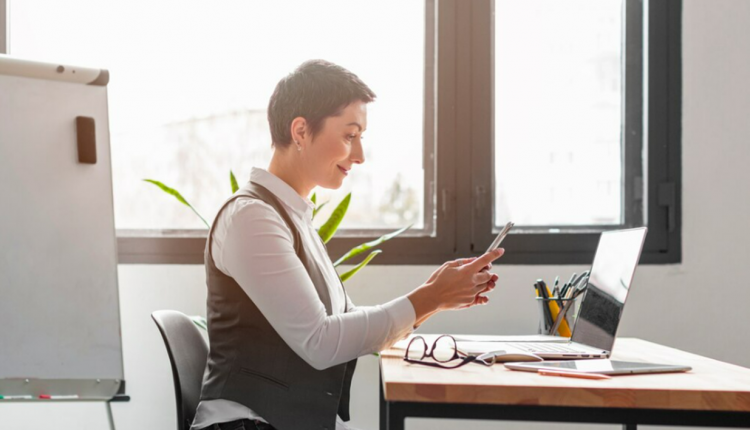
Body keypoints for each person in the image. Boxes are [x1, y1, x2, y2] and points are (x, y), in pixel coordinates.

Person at [192, 60, 503, 430]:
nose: (359, 156)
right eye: (349, 135)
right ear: (301, 131)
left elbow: (347, 326)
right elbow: (321, 340)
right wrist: (430, 297)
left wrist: (436, 298)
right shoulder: (252, 218)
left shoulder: (292, 217)